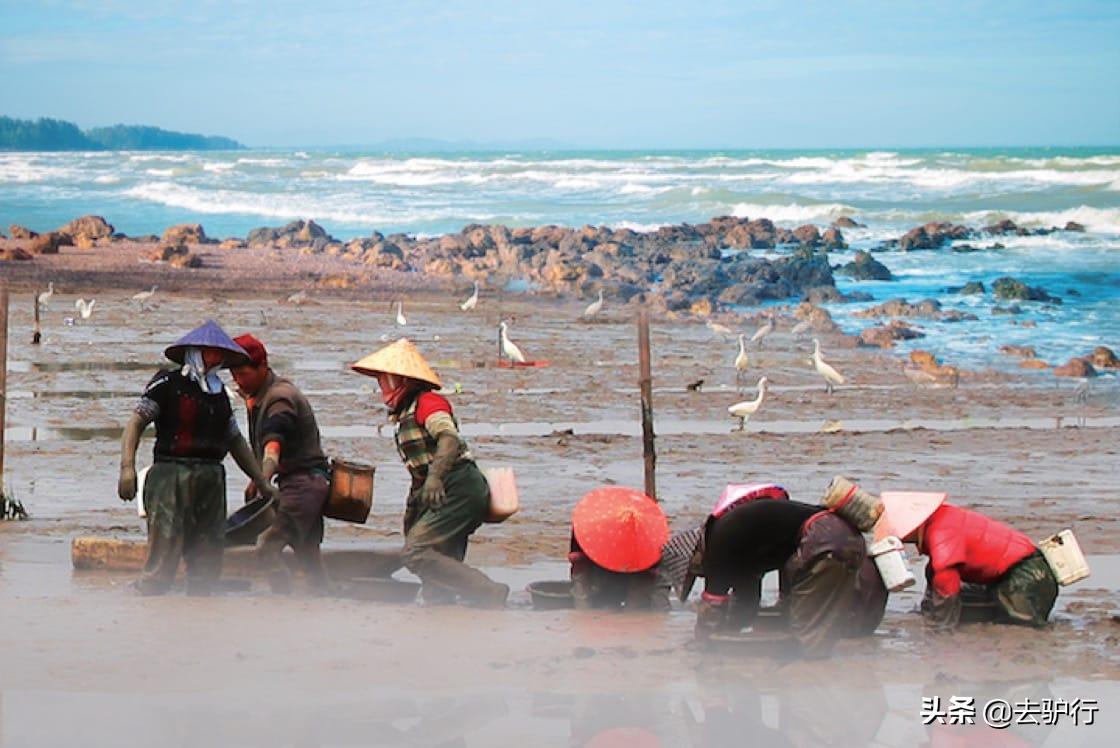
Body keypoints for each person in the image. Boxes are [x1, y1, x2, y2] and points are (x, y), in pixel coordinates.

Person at [117, 320, 277, 596]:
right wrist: (127, 468)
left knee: (207, 554)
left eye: (219, 353)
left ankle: (201, 608)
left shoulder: (220, 395)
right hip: (171, 476)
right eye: (208, 352)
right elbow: (135, 424)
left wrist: (261, 482)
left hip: (211, 479)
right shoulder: (167, 383)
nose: (214, 358)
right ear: (194, 351)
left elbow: (235, 442)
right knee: (164, 551)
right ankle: (149, 600)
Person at [351, 338, 508, 607]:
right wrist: (417, 501)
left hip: (459, 485)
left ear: (403, 381)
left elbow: (449, 439)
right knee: (438, 562)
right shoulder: (406, 414)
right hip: (439, 488)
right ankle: (442, 612)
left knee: (416, 552)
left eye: (386, 381)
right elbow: (420, 466)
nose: (382, 388)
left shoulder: (429, 403)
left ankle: (487, 590)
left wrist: (435, 477)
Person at [692, 486, 887, 658]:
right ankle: (819, 653)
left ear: (696, 554)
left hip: (823, 541)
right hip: (848, 538)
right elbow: (747, 601)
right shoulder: (738, 543)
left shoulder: (718, 550)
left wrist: (704, 643)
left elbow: (713, 606)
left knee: (805, 623)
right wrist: (734, 628)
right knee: (826, 609)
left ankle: (809, 669)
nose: (700, 573)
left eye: (694, 570)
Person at [230, 333, 331, 593]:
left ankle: (282, 601)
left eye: (242, 373)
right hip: (302, 482)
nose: (237, 380)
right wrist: (257, 478)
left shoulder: (279, 398)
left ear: (262, 366)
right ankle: (323, 599)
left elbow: (273, 447)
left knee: (266, 548)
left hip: (303, 484)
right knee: (307, 553)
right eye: (233, 374)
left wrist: (262, 479)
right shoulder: (260, 395)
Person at [873, 491, 1058, 631]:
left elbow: (946, 579)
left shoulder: (942, 533)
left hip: (1025, 576)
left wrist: (941, 626)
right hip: (1013, 571)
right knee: (939, 577)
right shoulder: (944, 517)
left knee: (1019, 626)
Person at [568, 487, 671, 611]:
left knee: (635, 599)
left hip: (629, 573)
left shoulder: (589, 524)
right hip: (601, 570)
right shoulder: (648, 536)